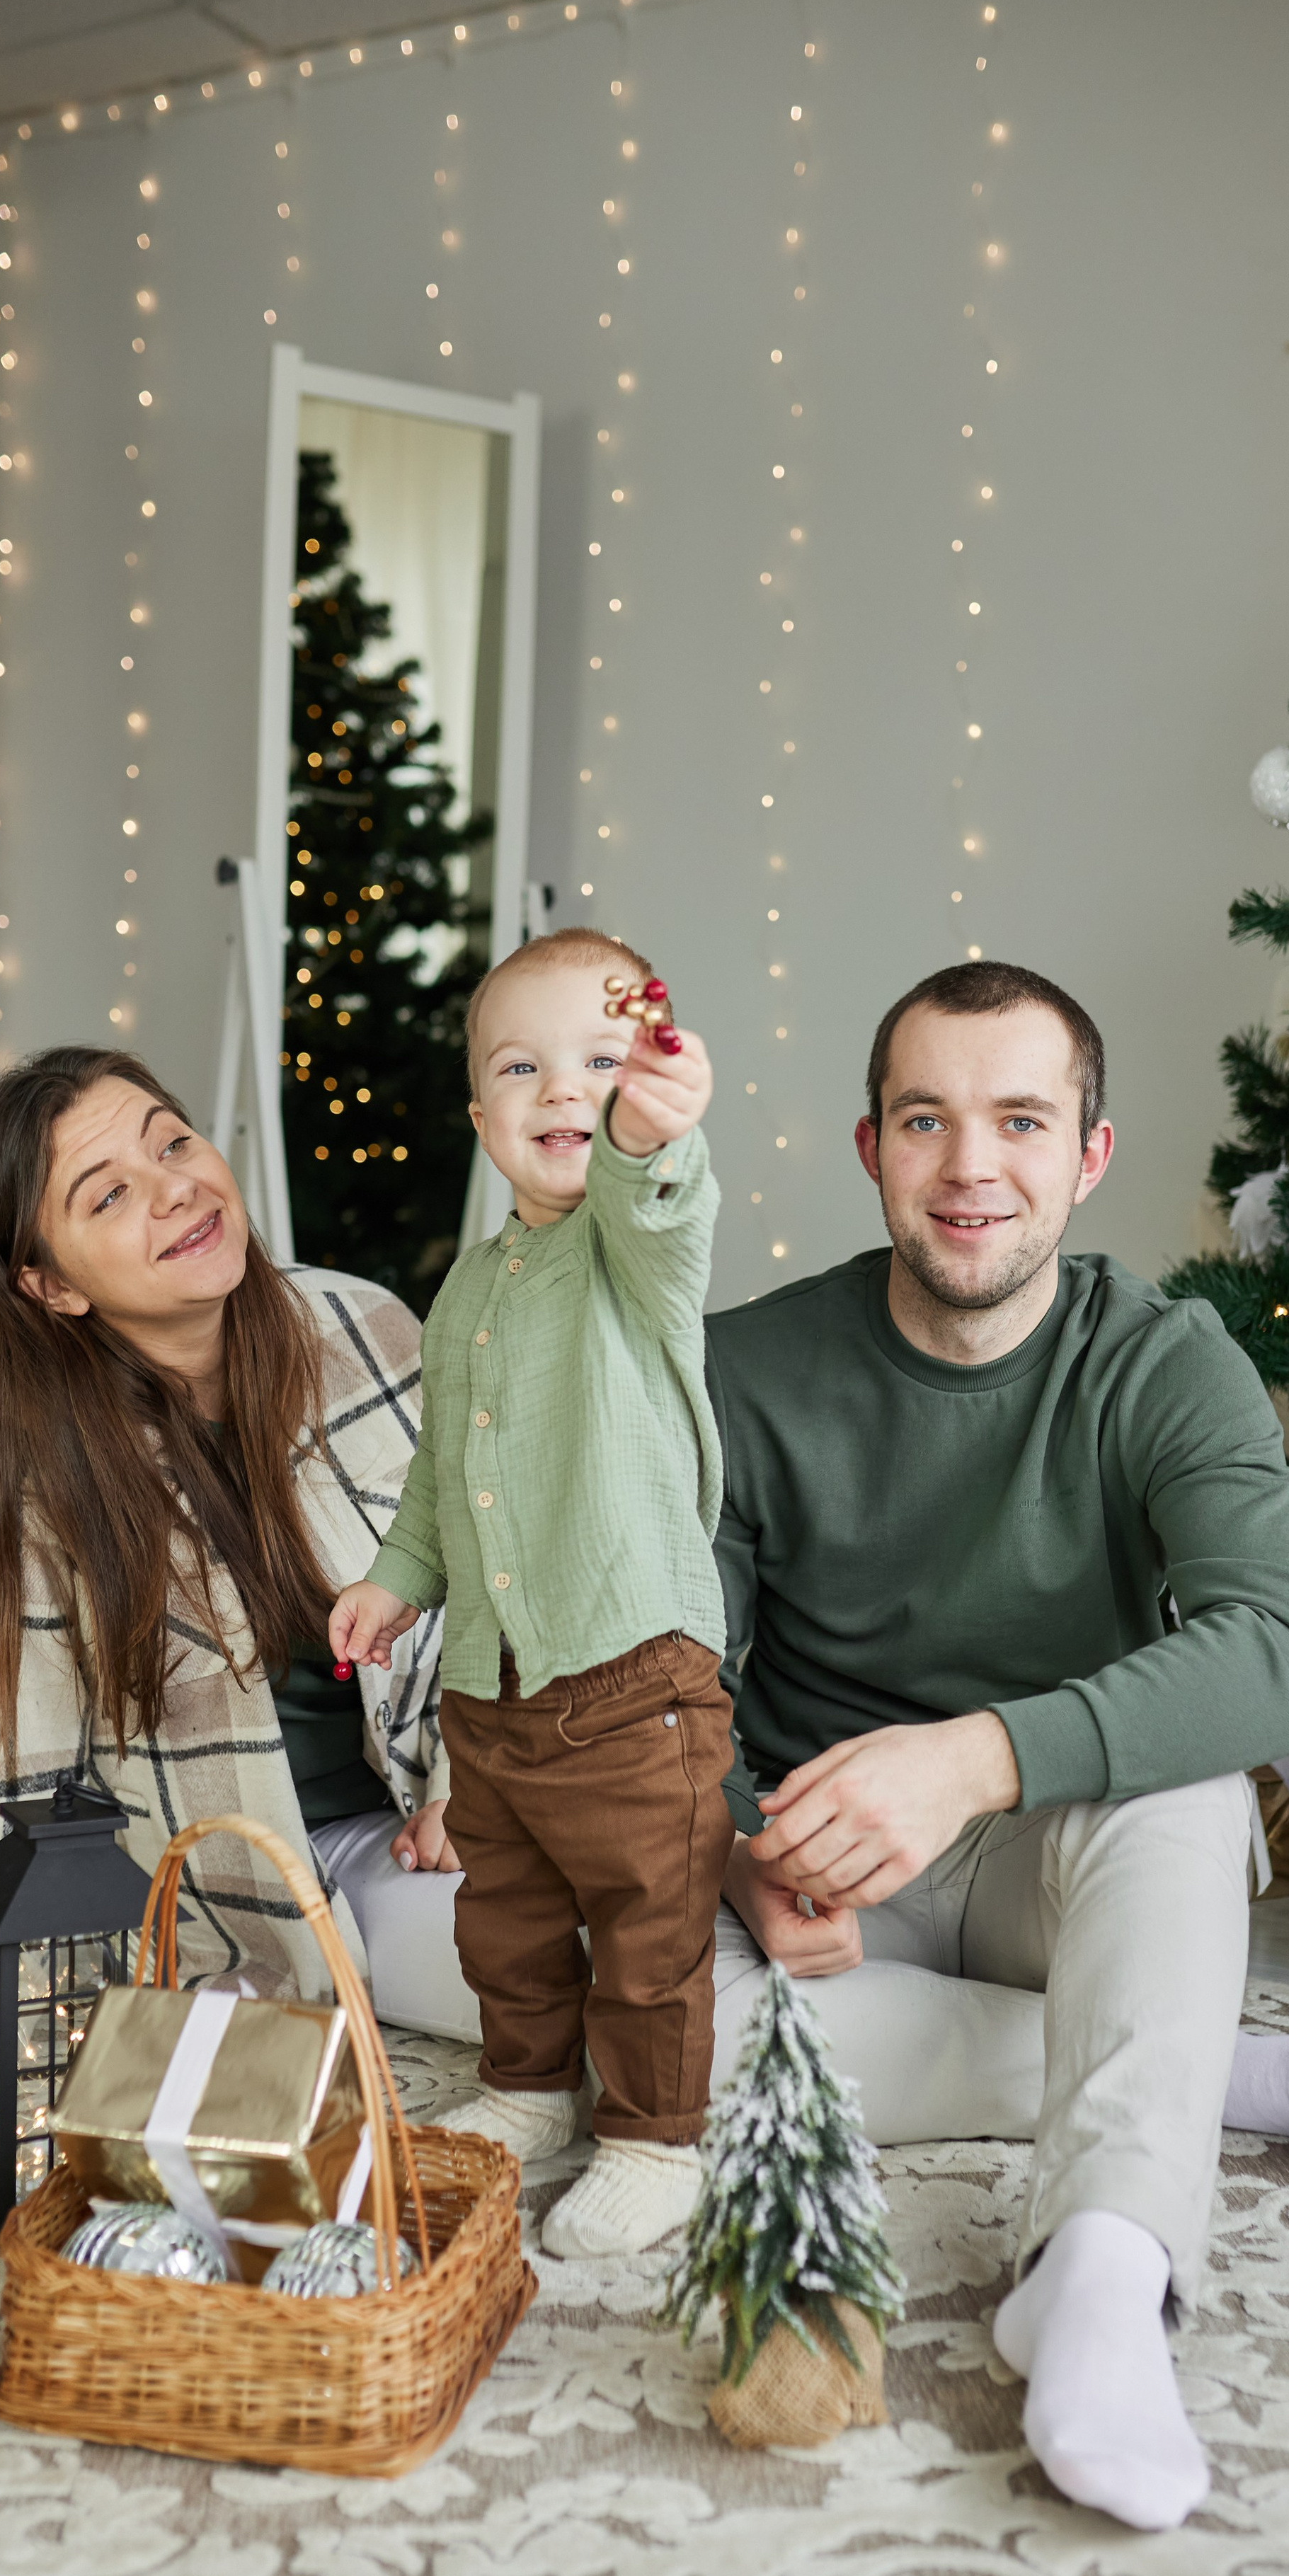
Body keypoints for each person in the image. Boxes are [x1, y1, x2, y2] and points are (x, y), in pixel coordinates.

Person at [702, 957, 1289, 2534]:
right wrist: (731, 1849)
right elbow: (676, 1688)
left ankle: (1100, 2272)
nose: (969, 1167)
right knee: (637, 2050)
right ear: (868, 1149)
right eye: (923, 1120)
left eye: (1017, 1120)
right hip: (823, 1879)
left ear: (1088, 1154)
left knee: (1191, 1788)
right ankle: (1180, 2063)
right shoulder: (743, 1368)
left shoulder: (1161, 1359)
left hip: (1052, 1854)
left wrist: (972, 1757)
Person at [0, 1045, 463, 2124]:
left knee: (667, 1887)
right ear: (48, 1284)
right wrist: (13, 2020)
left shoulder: (360, 1327)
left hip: (438, 1808)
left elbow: (495, 1588)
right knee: (625, 1989)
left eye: (175, 1143)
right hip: (245, 1891)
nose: (179, 1189)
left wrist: (475, 1778)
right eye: (110, 1195)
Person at [331, 926, 736, 2260]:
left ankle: (652, 2140)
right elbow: (446, 1477)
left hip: (632, 1674)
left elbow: (658, 1189)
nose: (563, 1092)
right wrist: (393, 1586)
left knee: (646, 1927)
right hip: (488, 1690)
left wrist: (653, 1134)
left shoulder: (637, 1253)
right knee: (499, 1920)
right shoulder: (464, 1294)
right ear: (481, 1116)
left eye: (600, 1062)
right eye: (523, 1068)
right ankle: (529, 2088)